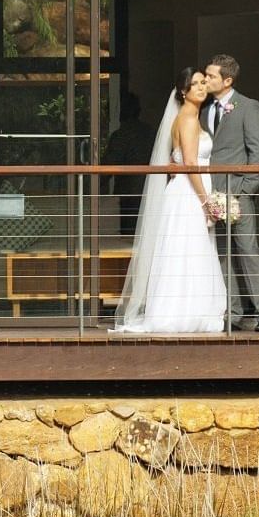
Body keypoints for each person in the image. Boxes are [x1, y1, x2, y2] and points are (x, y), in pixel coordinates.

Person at [110, 68, 227, 334]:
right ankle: (182, 312)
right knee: (187, 249)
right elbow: (190, 164)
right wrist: (206, 201)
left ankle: (186, 309)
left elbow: (178, 159)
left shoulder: (188, 117)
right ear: (183, 91)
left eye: (203, 82)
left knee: (187, 249)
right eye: (195, 84)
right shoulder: (187, 119)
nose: (201, 87)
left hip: (185, 189)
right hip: (189, 193)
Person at [203, 54, 259, 332]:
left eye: (211, 76)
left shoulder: (248, 106)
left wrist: (246, 189)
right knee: (222, 254)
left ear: (227, 80)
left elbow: (258, 150)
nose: (206, 79)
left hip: (238, 192)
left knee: (247, 249)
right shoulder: (204, 110)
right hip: (212, 193)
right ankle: (232, 313)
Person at [101, 92, 156, 235]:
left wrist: (94, 186)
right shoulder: (150, 132)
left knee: (129, 236)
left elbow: (110, 164)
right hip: (151, 190)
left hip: (129, 194)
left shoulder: (121, 135)